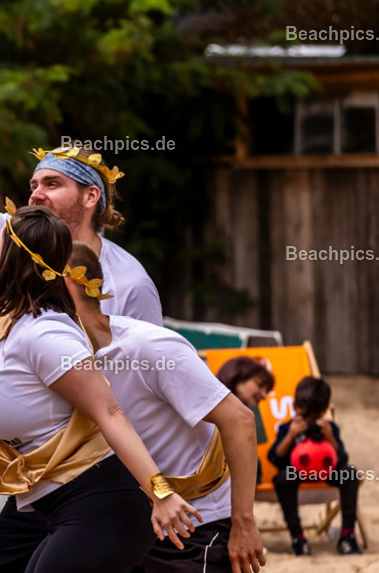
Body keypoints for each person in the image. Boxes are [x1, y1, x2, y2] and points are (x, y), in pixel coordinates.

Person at [0, 203, 200, 572]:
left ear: (14, 259)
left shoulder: (47, 332)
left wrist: (161, 492)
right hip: (40, 501)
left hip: (103, 504)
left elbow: (110, 412)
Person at [64, 242, 265, 573]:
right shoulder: (58, 358)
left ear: (65, 285)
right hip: (133, 524)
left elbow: (240, 420)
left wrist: (243, 521)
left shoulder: (149, 346)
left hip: (198, 523)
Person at [0, 140, 162, 326]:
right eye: (34, 185)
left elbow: (150, 374)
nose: (35, 194)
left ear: (90, 196)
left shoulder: (130, 284)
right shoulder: (17, 240)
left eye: (52, 184)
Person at [268, 376, 361, 556]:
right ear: (295, 407)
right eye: (305, 416)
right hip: (296, 474)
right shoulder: (288, 427)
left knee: (350, 474)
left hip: (326, 473)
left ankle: (347, 535)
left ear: (324, 411)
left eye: (315, 417)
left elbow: (342, 459)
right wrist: (290, 436)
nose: (309, 422)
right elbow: (275, 458)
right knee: (281, 479)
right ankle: (298, 537)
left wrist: (330, 438)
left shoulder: (329, 427)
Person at [217, 356, 275, 484]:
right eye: (260, 385)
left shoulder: (251, 412)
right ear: (237, 377)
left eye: (267, 391)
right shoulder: (210, 409)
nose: (264, 395)